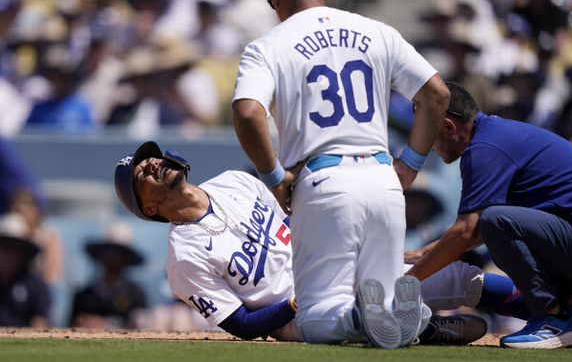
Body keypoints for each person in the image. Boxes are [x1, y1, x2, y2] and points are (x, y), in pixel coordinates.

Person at [231, 0, 450, 348]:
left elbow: (247, 112)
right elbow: (437, 93)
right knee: (386, 325)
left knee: (316, 316)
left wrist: (274, 176)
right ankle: (402, 312)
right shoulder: (377, 31)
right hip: (383, 176)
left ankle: (358, 315)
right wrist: (411, 163)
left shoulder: (267, 46)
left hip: (324, 181)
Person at [114, 141, 495, 344]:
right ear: (149, 208)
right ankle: (423, 329)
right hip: (300, 313)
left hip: (329, 265)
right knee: (356, 314)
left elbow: (294, 222)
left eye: (152, 159)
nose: (152, 164)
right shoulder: (183, 258)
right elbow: (242, 325)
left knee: (459, 277)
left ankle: (534, 308)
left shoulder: (234, 181)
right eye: (142, 173)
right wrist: (295, 303)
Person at [406, 81, 572, 349]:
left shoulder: (484, 148)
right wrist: (427, 252)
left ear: (448, 127)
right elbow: (478, 231)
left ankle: (551, 318)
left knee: (496, 221)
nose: (426, 144)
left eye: (426, 133)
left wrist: (407, 282)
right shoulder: (493, 135)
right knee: (497, 225)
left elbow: (470, 231)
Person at [69, 221, 148, 329]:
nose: (111, 256)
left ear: (126, 257)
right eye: (108, 250)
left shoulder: (136, 294)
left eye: (117, 252)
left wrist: (106, 325)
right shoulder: (84, 295)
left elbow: (141, 326)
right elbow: (69, 327)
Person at [0, 214, 50, 327]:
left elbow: (41, 321)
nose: (7, 253)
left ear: (23, 252)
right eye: (3, 246)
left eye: (13, 248)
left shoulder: (35, 285)